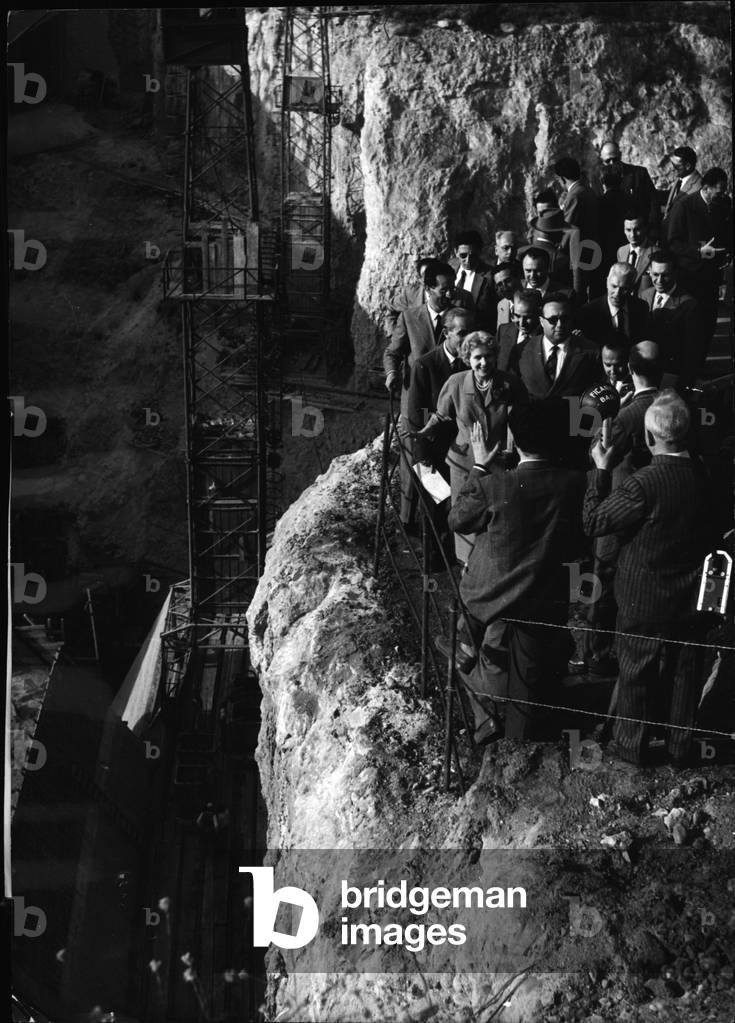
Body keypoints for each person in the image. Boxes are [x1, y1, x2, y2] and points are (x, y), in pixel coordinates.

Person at [583, 392, 716, 765]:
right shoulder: (706, 476)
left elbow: (594, 521)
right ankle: (680, 750)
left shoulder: (643, 484)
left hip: (643, 598)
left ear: (648, 437)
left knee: (636, 674)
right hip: (691, 598)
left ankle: (632, 748)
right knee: (684, 676)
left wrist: (602, 470)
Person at [445, 401, 587, 743]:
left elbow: (457, 519)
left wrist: (480, 465)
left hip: (489, 598)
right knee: (527, 676)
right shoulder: (574, 483)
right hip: (543, 598)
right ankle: (512, 721)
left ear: (514, 437)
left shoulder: (492, 486)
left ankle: (484, 713)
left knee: (460, 652)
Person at [582, 342, 662, 673]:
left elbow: (597, 450)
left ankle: (596, 654)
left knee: (601, 577)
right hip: (656, 511)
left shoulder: (627, 414)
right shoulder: (673, 404)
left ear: (629, 369)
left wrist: (614, 415)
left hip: (618, 506)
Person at [415, 331, 526, 564]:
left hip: (498, 462)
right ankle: (465, 565)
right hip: (463, 463)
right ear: (468, 358)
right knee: (465, 515)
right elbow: (441, 415)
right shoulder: (456, 383)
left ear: (496, 357)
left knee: (494, 517)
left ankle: (487, 568)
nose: (483, 362)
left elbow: (518, 421)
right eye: (477, 357)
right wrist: (426, 430)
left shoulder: (510, 384)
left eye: (488, 356)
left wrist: (509, 449)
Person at [384, 260, 456, 527]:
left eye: (453, 288)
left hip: (445, 403)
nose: (450, 294)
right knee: (413, 462)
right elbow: (393, 352)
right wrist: (392, 373)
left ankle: (434, 525)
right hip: (414, 403)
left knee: (437, 462)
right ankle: (408, 521)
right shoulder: (410, 317)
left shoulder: (457, 319)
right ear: (428, 289)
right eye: (444, 290)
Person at [407, 307, 473, 567]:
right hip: (433, 451)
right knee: (433, 507)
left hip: (460, 453)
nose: (467, 340)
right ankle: (432, 561)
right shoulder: (426, 365)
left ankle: (454, 554)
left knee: (455, 506)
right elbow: (417, 417)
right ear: (446, 333)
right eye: (462, 333)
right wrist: (423, 460)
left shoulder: (472, 364)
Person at [667, 167, 731, 362]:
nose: (722, 194)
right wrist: (697, 252)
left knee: (708, 322)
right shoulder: (685, 206)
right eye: (718, 191)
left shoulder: (724, 204)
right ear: (706, 187)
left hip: (712, 277)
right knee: (688, 326)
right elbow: (673, 242)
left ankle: (700, 364)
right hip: (689, 277)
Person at [639, 249, 702, 388]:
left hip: (670, 375)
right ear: (649, 271)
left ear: (676, 273)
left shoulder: (689, 305)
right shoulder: (644, 295)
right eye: (655, 274)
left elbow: (691, 351)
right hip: (644, 373)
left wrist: (684, 384)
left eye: (665, 275)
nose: (659, 281)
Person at [554, 155, 600, 300]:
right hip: (593, 250)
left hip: (579, 255)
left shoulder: (574, 196)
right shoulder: (589, 190)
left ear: (561, 179)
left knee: (577, 296)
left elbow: (567, 228)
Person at [577, 262, 649, 347]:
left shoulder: (641, 307)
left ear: (632, 288)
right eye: (614, 286)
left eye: (624, 289)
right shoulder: (589, 311)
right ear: (607, 282)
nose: (617, 293)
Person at [595, 140, 659, 234]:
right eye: (607, 161)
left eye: (615, 159)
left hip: (639, 232)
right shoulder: (596, 179)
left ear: (620, 155)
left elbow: (653, 202)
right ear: (601, 160)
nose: (612, 163)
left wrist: (652, 229)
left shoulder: (639, 174)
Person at [449, 230, 495, 329]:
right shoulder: (449, 268)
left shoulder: (490, 276)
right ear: (455, 252)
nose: (468, 260)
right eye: (463, 255)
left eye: (473, 255)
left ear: (480, 252)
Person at [497, 289, 543, 371]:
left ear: (539, 313)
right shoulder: (503, 330)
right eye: (517, 316)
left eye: (528, 317)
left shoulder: (547, 337)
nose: (522, 323)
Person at [661, 145, 702, 235]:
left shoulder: (698, 188)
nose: (672, 169)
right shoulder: (681, 177)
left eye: (675, 166)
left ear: (687, 166)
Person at [617, 209, 655, 296]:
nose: (632, 235)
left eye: (637, 229)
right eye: (628, 230)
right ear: (624, 230)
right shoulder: (621, 251)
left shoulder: (655, 253)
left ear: (645, 228)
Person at [492, 261, 522, 327]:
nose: (504, 287)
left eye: (508, 281)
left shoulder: (532, 299)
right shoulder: (501, 305)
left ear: (517, 278)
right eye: (499, 284)